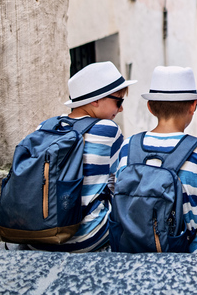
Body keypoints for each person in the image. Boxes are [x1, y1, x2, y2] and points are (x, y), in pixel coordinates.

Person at [117, 66, 197, 253]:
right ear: (193, 106)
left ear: (150, 107)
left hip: (133, 244)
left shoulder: (127, 147)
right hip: (188, 249)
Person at [33, 61, 135, 252]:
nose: (120, 109)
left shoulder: (45, 126)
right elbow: (119, 183)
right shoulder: (108, 130)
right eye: (118, 101)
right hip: (86, 236)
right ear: (95, 100)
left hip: (37, 234)